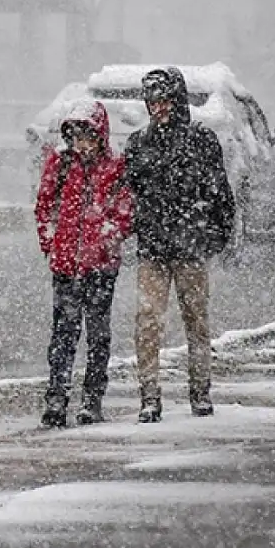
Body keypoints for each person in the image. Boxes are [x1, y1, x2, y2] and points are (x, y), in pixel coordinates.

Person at [123, 67, 236, 423]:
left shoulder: (201, 140)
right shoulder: (138, 143)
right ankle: (150, 396)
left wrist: (215, 237)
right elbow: (129, 194)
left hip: (189, 247)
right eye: (153, 101)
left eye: (164, 100)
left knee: (196, 321)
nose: (158, 108)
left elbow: (220, 192)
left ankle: (200, 391)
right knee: (148, 321)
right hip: (154, 248)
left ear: (177, 100)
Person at [35, 100, 133, 428]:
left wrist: (104, 243)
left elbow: (124, 213)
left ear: (100, 135)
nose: (82, 144)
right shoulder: (61, 165)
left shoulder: (115, 167)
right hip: (65, 266)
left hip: (101, 268)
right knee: (63, 334)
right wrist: (51, 243)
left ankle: (92, 398)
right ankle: (57, 397)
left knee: (97, 334)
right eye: (76, 136)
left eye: (87, 136)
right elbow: (44, 207)